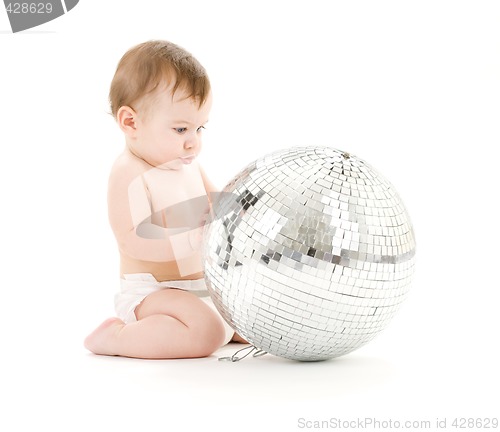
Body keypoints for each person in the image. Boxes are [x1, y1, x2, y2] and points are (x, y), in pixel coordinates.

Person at [84, 40, 245, 359]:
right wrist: (190, 242)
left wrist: (243, 204)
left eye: (200, 128)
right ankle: (116, 337)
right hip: (154, 292)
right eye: (181, 128)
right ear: (130, 122)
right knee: (206, 332)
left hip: (204, 285)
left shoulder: (189, 165)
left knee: (255, 316)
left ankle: (223, 325)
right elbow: (132, 241)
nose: (193, 143)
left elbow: (220, 205)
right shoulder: (129, 172)